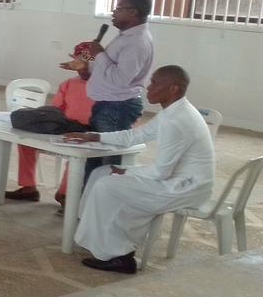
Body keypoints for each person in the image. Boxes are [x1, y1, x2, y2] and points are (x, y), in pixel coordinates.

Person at [64, 66, 214, 274]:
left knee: (107, 185)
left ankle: (121, 257)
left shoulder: (177, 121)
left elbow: (160, 172)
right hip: (174, 178)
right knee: (102, 173)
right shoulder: (174, 111)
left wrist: (126, 172)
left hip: (186, 188)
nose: (148, 88)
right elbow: (135, 136)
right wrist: (94, 136)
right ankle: (97, 241)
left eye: (155, 84)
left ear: (173, 89)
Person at [62, 0, 154, 179]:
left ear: (132, 13)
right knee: (93, 159)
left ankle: (100, 204)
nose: (114, 11)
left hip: (117, 108)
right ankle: (85, 204)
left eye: (119, 8)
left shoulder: (137, 42)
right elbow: (111, 68)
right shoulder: (126, 36)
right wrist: (87, 67)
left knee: (108, 162)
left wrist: (99, 54)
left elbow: (120, 79)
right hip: (107, 106)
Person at [6, 42, 96, 204]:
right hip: (63, 128)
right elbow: (55, 110)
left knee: (78, 153)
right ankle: (29, 188)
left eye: (85, 65)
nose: (81, 70)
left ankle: (65, 194)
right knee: (26, 142)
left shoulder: (107, 87)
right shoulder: (69, 83)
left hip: (87, 133)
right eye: (77, 65)